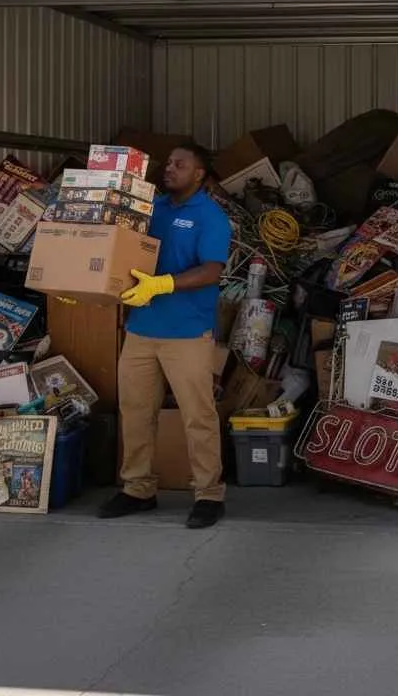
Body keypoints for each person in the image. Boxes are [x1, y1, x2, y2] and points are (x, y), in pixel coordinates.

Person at [98, 143, 232, 528]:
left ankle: (208, 494)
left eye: (179, 164)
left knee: (198, 416)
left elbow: (211, 271)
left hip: (188, 333)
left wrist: (162, 285)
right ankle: (137, 488)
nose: (169, 168)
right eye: (168, 161)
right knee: (136, 414)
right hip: (140, 329)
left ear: (199, 174)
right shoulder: (150, 209)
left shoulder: (210, 217)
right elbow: (121, 253)